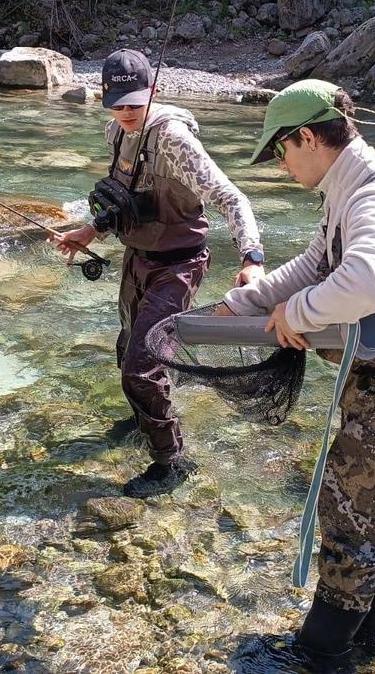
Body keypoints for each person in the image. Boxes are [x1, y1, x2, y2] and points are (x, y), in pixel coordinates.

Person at [221, 79, 375, 670]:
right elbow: (315, 265)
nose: (280, 166)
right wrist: (243, 305)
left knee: (352, 531)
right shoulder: (348, 188)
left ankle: (319, 656)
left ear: (308, 137)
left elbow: (368, 281)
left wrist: (296, 315)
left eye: (280, 150)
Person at [51, 49, 266, 498]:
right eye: (118, 104)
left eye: (135, 102)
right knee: (127, 349)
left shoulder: (173, 140)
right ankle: (145, 418)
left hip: (178, 265)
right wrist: (89, 231)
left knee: (141, 366)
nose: (127, 112)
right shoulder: (116, 132)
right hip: (137, 259)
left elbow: (232, 198)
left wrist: (252, 257)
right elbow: (123, 200)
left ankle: (172, 462)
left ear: (153, 91)